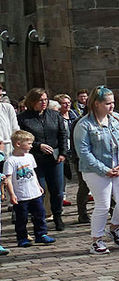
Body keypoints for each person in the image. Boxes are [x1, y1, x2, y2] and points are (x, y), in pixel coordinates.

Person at [73, 86, 119, 255]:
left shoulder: (118, 119)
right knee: (103, 204)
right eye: (108, 103)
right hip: (95, 169)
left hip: (118, 166)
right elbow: (83, 152)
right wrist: (104, 169)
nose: (112, 106)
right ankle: (96, 240)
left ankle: (114, 227)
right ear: (97, 104)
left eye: (113, 103)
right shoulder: (84, 124)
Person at [17, 87, 68, 232]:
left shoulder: (54, 115)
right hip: (34, 160)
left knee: (57, 190)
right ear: (32, 101)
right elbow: (20, 139)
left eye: (45, 99)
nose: (44, 103)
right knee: (39, 190)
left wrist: (63, 153)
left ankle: (57, 216)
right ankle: (39, 220)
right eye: (40, 100)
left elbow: (62, 134)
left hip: (55, 158)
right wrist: (38, 146)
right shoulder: (23, 118)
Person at [3, 129, 54, 247]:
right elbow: (8, 179)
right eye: (29, 143)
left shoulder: (30, 157)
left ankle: (41, 234)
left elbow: (33, 172)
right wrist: (12, 194)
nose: (31, 146)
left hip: (34, 193)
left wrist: (38, 185)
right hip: (21, 195)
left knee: (39, 214)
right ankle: (22, 237)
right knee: (22, 218)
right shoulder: (10, 161)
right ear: (18, 144)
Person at [0, 92, 20, 255]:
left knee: (12, 182)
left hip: (7, 152)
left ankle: (15, 209)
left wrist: (16, 149)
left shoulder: (6, 108)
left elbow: (15, 129)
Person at [55, 93, 81, 212]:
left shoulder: (74, 114)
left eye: (69, 102)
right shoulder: (57, 117)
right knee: (63, 174)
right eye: (64, 103)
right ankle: (63, 195)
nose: (67, 105)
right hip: (64, 148)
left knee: (79, 173)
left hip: (75, 147)